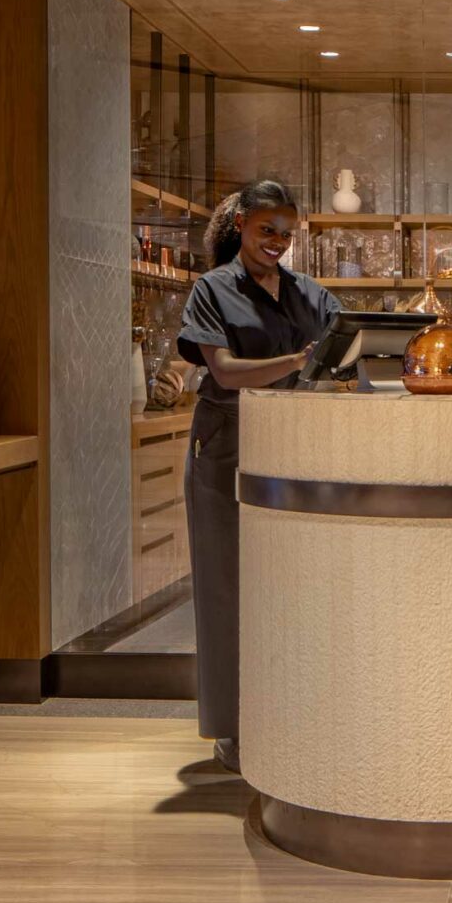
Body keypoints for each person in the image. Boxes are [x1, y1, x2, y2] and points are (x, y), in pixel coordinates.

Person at [175, 179, 340, 771]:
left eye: (286, 234)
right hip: (226, 442)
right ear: (241, 223)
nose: (276, 243)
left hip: (296, 445)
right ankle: (234, 729)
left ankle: (293, 714)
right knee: (227, 588)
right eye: (267, 230)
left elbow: (345, 350)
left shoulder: (310, 295)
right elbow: (223, 371)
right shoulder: (212, 290)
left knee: (295, 588)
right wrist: (298, 361)